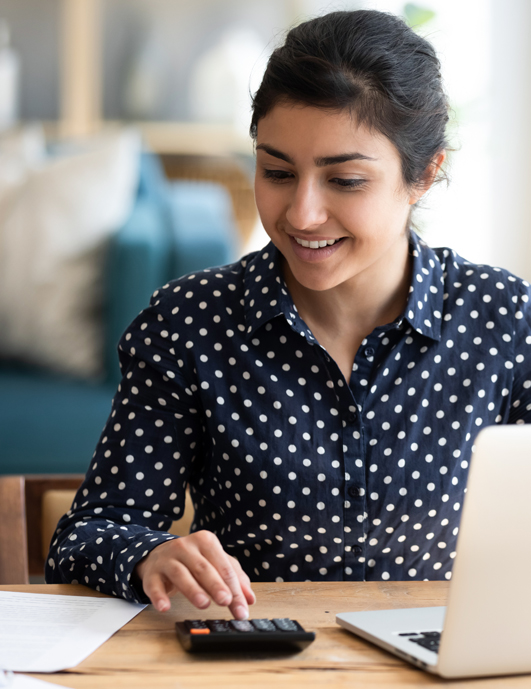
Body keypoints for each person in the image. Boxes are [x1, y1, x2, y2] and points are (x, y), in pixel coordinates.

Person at [46, 10, 531, 622]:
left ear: (425, 174)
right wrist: (151, 555)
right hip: (256, 664)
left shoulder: (507, 321)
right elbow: (86, 536)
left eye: (346, 180)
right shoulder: (189, 323)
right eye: (276, 172)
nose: (301, 214)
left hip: (442, 665)